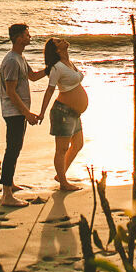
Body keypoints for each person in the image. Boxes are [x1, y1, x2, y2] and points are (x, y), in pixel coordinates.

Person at [0, 23, 46, 207]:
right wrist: (26, 113)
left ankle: (9, 184)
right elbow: (10, 91)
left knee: (16, 148)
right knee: (12, 149)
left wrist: (50, 68)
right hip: (13, 112)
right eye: (27, 35)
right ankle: (6, 195)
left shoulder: (20, 57)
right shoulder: (11, 60)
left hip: (19, 112)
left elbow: (33, 76)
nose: (30, 37)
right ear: (19, 38)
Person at [38, 38, 88, 191]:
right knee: (62, 149)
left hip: (74, 113)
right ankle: (63, 183)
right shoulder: (56, 68)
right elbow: (50, 90)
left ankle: (61, 175)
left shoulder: (69, 63)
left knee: (78, 144)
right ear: (56, 50)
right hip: (63, 112)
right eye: (59, 41)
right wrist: (41, 113)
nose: (63, 40)